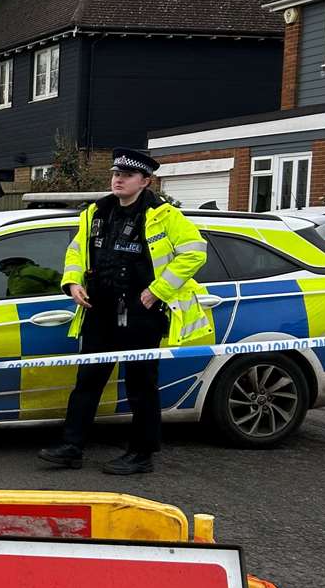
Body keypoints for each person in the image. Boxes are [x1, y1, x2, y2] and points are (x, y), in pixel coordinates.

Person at [38, 148, 214, 475]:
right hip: (100, 309)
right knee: (87, 382)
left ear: (145, 181)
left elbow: (194, 253)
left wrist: (157, 291)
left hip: (141, 313)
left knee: (140, 386)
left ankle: (141, 454)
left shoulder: (164, 215)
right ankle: (71, 447)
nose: (118, 179)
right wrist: (72, 283)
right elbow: (76, 251)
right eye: (116, 173)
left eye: (127, 175)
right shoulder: (96, 211)